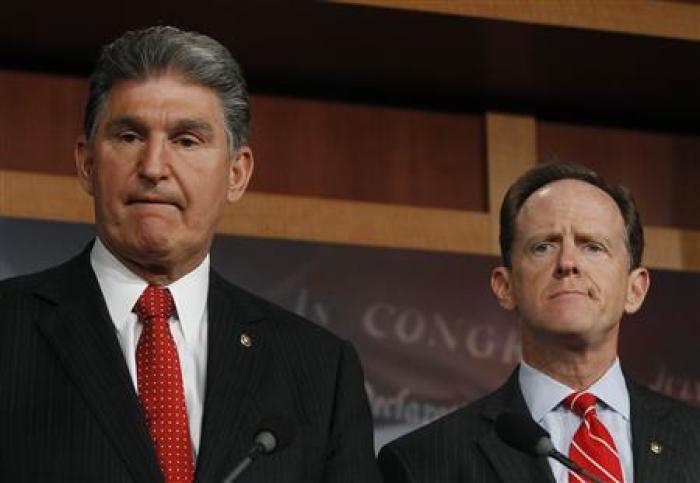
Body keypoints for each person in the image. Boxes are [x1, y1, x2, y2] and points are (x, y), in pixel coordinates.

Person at [0, 26, 380, 482]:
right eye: (129, 136)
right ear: (87, 163)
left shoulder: (321, 370)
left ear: (236, 174)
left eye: (186, 140)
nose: (154, 167)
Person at [378, 162, 700, 482]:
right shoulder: (423, 464)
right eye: (543, 246)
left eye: (593, 246)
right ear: (506, 287)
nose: (568, 263)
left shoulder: (694, 440)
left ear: (635, 289)